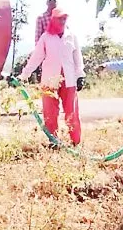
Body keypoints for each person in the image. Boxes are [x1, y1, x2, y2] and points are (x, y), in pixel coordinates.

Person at [19, 9, 85, 146]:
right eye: (60, 18)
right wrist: (24, 75)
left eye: (64, 19)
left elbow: (77, 58)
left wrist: (80, 76)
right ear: (53, 20)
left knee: (71, 112)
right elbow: (36, 58)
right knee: (50, 113)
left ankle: (76, 142)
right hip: (50, 80)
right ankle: (54, 141)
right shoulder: (46, 37)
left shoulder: (71, 36)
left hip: (69, 80)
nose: (62, 21)